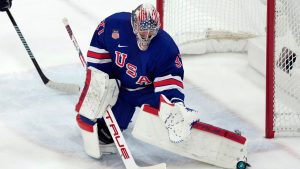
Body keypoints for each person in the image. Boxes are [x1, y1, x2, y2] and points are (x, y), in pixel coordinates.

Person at [75, 3, 200, 158]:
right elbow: (99, 49)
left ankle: (181, 120)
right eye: (143, 28)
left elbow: (169, 78)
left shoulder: (166, 46)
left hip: (148, 92)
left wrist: (174, 103)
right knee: (105, 134)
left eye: (151, 30)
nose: (146, 35)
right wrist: (102, 81)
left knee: (172, 113)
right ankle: (112, 121)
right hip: (121, 92)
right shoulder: (114, 26)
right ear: (134, 23)